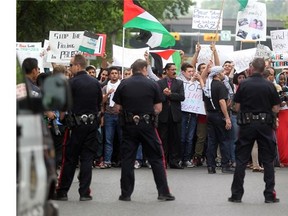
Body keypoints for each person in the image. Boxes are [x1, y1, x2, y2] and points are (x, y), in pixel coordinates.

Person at [113, 59, 175, 201]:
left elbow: (117, 108)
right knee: (157, 158)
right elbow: (159, 108)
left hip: (129, 126)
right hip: (147, 125)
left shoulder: (124, 84)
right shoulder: (152, 84)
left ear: (133, 69)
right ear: (144, 69)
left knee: (128, 159)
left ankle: (125, 194)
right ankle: (163, 192)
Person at [228, 58, 281, 203]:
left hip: (247, 124)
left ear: (251, 68)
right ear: (264, 68)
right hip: (265, 125)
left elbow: (236, 107)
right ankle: (269, 195)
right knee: (268, 160)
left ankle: (236, 195)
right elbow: (276, 108)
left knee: (241, 160)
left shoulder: (243, 84)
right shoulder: (270, 85)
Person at [55, 54, 103, 201]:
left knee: (69, 159)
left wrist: (62, 121)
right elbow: (99, 104)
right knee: (87, 159)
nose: (70, 68)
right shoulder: (95, 83)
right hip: (91, 125)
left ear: (77, 65)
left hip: (75, 127)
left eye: (70, 65)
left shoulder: (71, 83)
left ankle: (62, 192)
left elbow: (63, 107)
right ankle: (84, 193)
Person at [203, 66, 234, 174]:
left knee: (212, 141)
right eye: (221, 72)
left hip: (210, 114)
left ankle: (211, 166)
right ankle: (225, 165)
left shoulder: (208, 86)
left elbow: (205, 102)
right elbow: (222, 102)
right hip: (219, 114)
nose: (223, 74)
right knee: (224, 140)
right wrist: (227, 118)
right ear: (217, 74)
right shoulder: (220, 86)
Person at [157, 63, 185, 169]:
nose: (174, 71)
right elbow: (157, 98)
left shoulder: (179, 83)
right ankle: (163, 161)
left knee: (175, 139)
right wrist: (164, 95)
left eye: (175, 69)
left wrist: (170, 94)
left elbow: (182, 97)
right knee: (163, 139)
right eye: (172, 69)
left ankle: (174, 161)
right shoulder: (159, 83)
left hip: (175, 115)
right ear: (166, 71)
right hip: (163, 114)